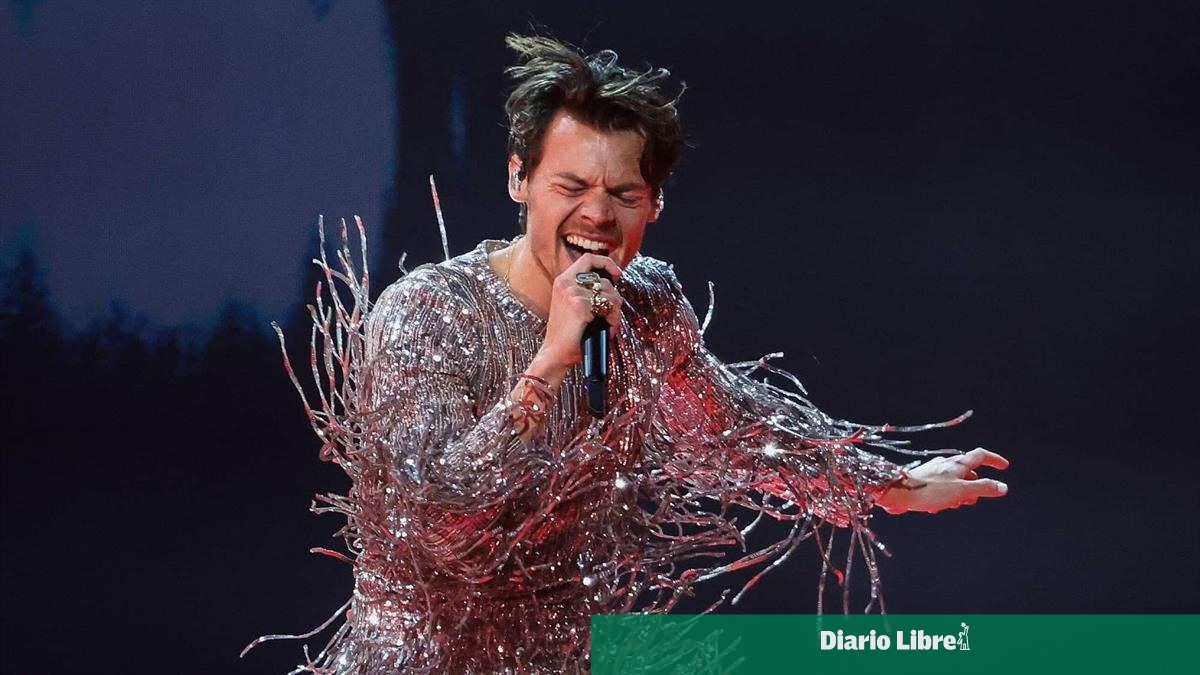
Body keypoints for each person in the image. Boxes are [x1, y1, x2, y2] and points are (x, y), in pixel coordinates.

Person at [248, 34, 1009, 674]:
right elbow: (438, 521)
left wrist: (889, 484)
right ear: (519, 178)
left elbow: (730, 427)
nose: (597, 215)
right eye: (571, 186)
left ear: (655, 203)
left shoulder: (645, 304)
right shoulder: (427, 312)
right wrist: (551, 361)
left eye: (624, 194)